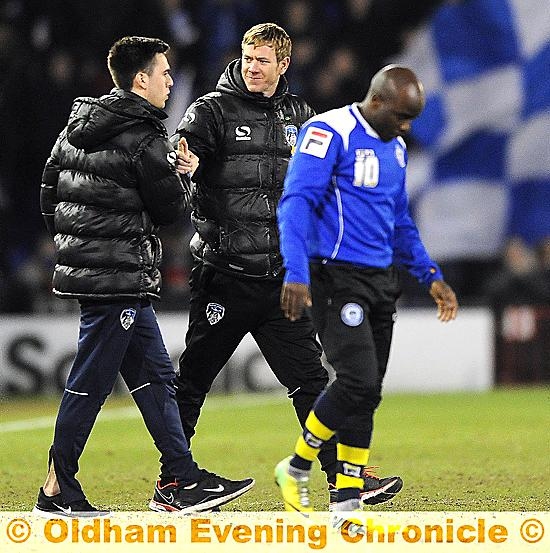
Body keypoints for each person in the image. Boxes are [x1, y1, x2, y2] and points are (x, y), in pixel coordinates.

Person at [171, 23, 403, 508]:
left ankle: (344, 478)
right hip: (225, 272)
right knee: (193, 380)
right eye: (247, 58)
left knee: (312, 380)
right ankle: (174, 480)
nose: (253, 68)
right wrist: (186, 165)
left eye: (262, 60)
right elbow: (185, 153)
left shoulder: (301, 115)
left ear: (283, 64)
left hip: (281, 279)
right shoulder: (211, 111)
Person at [33, 36, 254, 517]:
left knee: (156, 378)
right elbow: (172, 210)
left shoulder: (76, 125)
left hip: (102, 274)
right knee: (89, 384)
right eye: (164, 73)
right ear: (141, 80)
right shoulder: (144, 136)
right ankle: (56, 488)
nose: (170, 81)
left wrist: (78, 248)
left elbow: (49, 193)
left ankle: (182, 478)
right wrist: (187, 171)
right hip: (119, 280)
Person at [274, 65, 459, 514]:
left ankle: (347, 501)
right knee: (355, 381)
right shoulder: (328, 131)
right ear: (376, 102)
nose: (406, 127)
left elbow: (399, 222)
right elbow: (297, 202)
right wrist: (296, 271)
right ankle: (297, 467)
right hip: (335, 276)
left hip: (380, 281)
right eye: (401, 116)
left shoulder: (395, 148)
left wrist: (429, 274)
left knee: (369, 391)